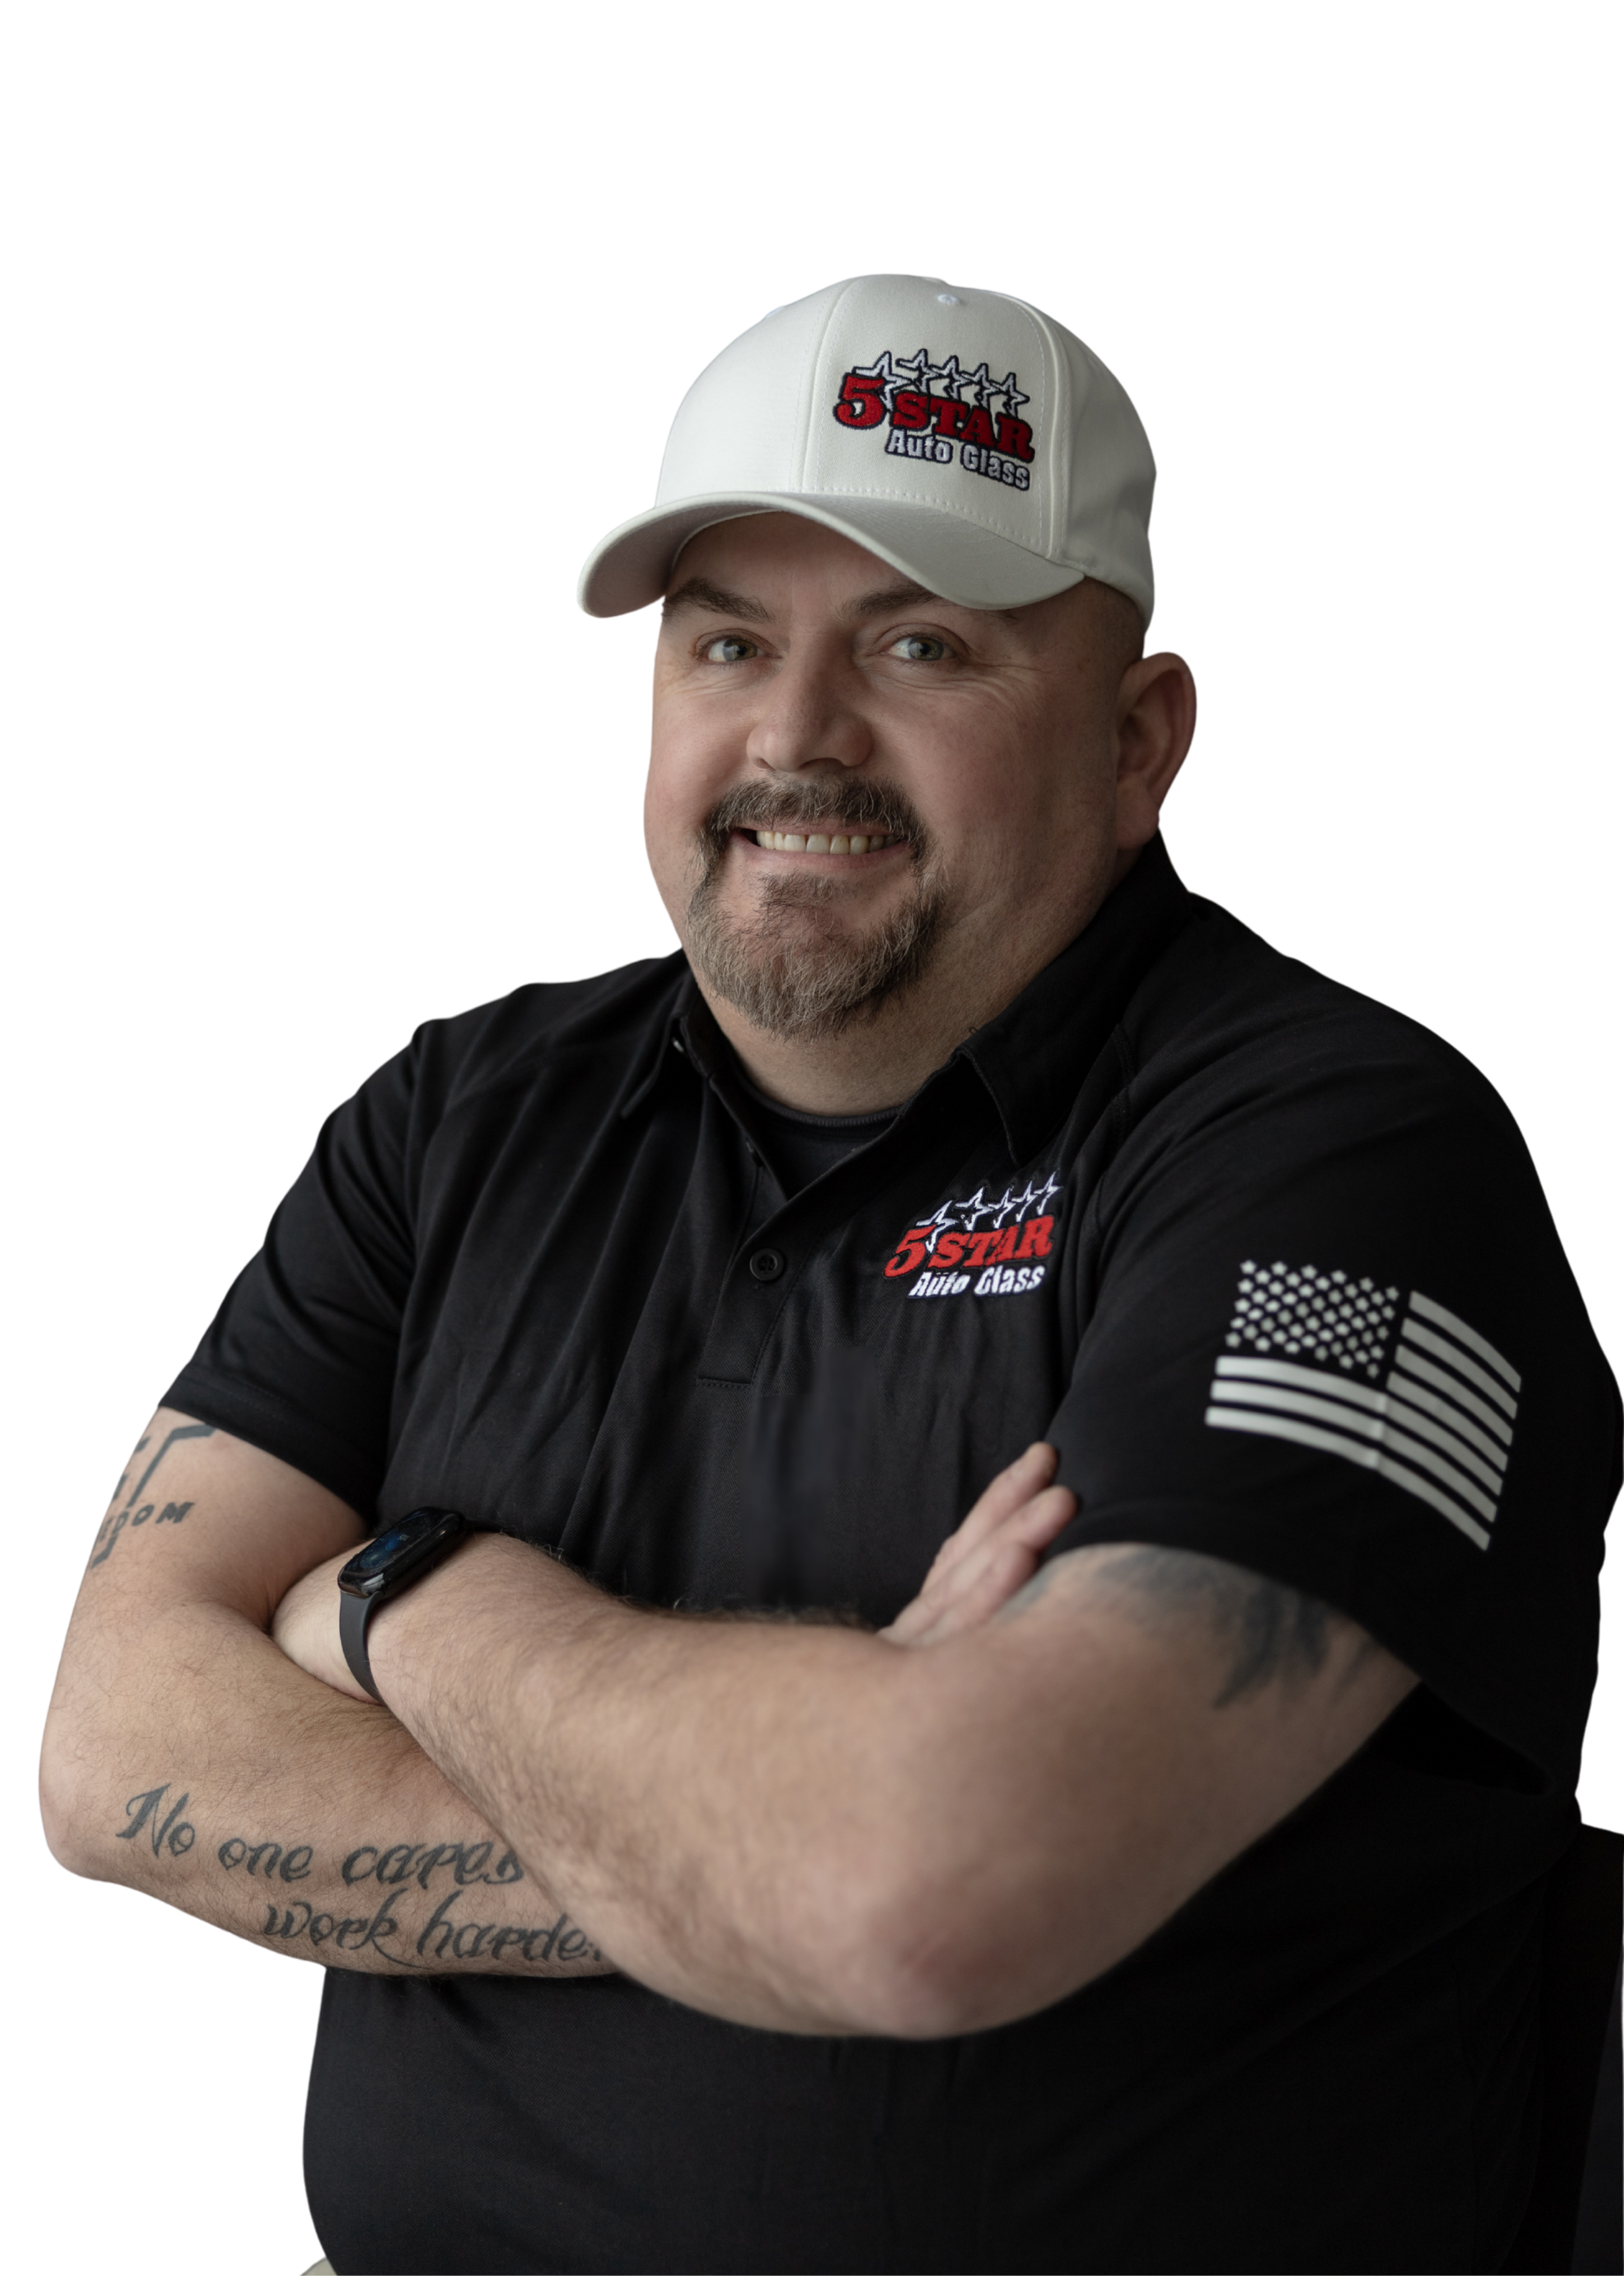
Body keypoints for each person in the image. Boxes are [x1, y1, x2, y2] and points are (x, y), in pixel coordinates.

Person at [39, 273, 1616, 2276]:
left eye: (919, 641)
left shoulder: (1343, 1158)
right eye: (724, 641)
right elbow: (106, 1752)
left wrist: (404, 1597)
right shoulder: (462, 1113)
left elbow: (925, 1885)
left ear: (1141, 737)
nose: (794, 735)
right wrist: (733, 1845)